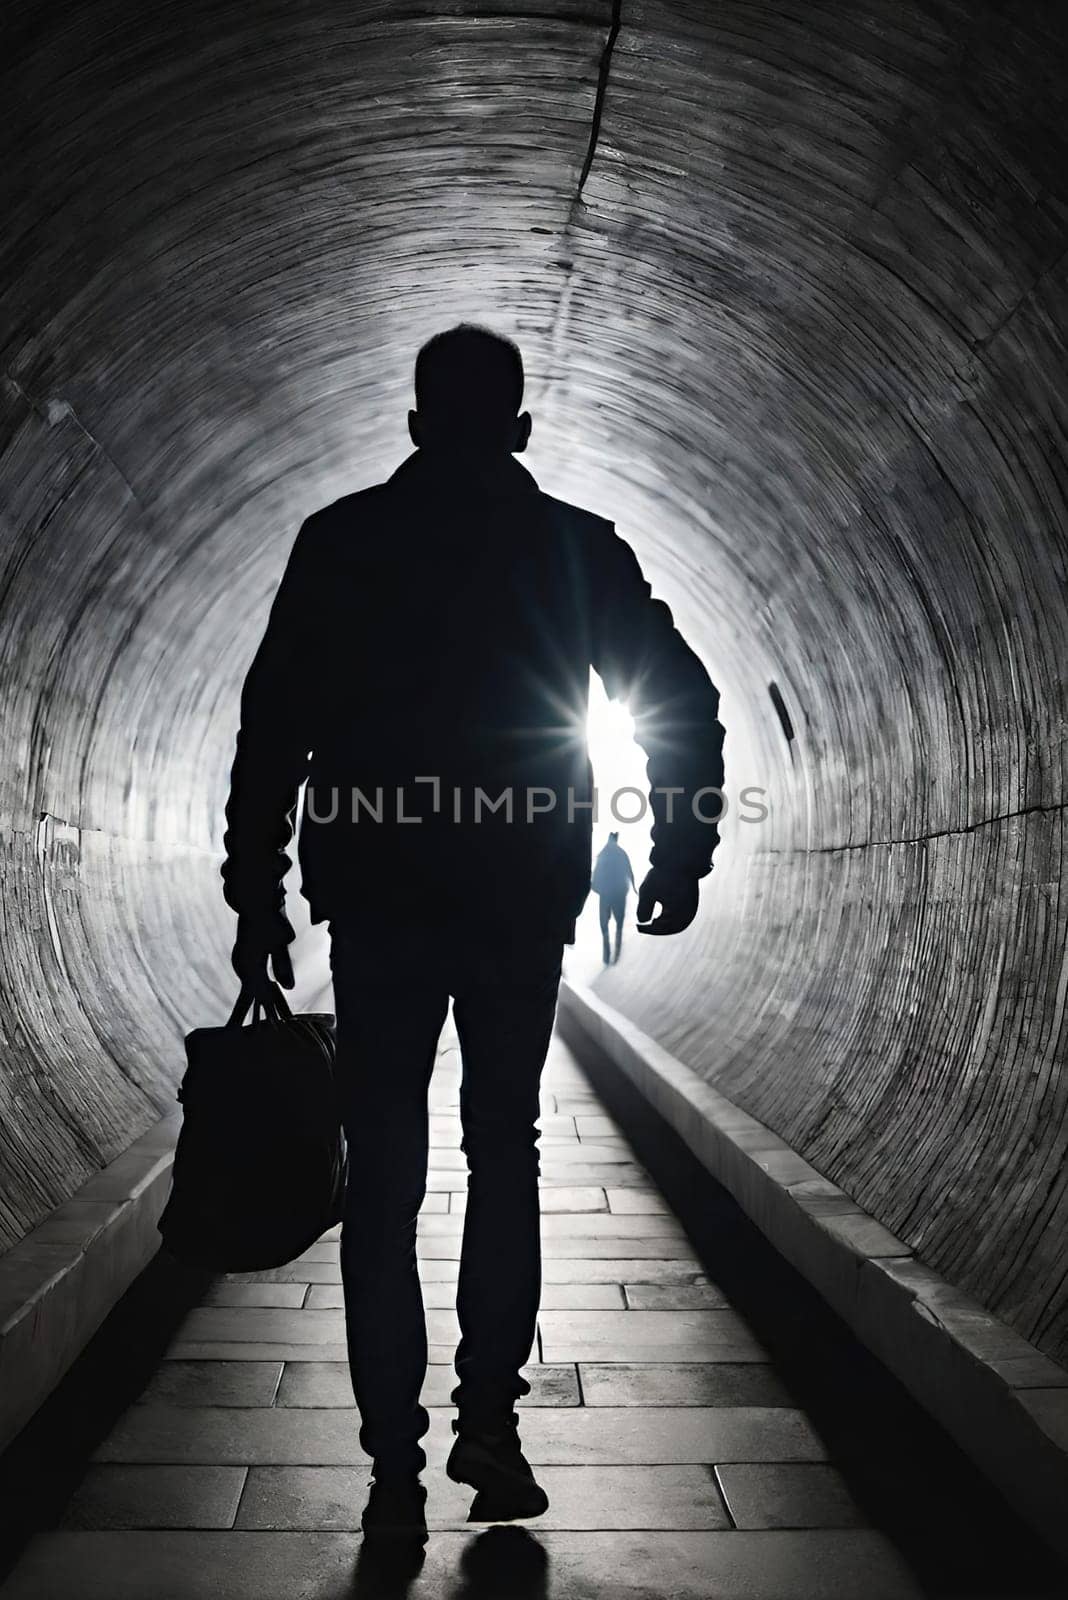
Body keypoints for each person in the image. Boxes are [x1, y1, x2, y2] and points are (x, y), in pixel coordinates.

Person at [220, 324, 725, 1538]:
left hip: (381, 903)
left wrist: (258, 892)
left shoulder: (342, 542)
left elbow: (271, 724)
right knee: (507, 1148)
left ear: (411, 424)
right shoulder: (576, 548)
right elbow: (681, 701)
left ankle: (392, 1460)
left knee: (384, 1173)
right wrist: (678, 847)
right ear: (519, 429)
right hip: (516, 901)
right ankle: (488, 1426)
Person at [592, 832, 635, 964]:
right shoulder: (621, 853)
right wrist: (633, 886)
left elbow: (595, 875)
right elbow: (629, 870)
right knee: (619, 924)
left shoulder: (603, 854)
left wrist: (596, 888)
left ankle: (607, 955)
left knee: (604, 925)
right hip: (619, 893)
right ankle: (616, 953)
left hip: (606, 893)